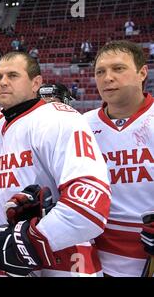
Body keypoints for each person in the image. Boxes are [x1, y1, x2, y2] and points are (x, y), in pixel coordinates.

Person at [0, 51, 111, 277]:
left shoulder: (60, 118)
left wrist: (32, 239)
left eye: (13, 75)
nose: (3, 82)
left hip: (64, 259)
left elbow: (91, 201)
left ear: (36, 83)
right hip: (12, 259)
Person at [84, 40, 154, 277]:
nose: (107, 78)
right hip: (93, 257)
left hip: (146, 256)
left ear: (142, 73)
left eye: (118, 69)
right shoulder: (81, 125)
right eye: (100, 72)